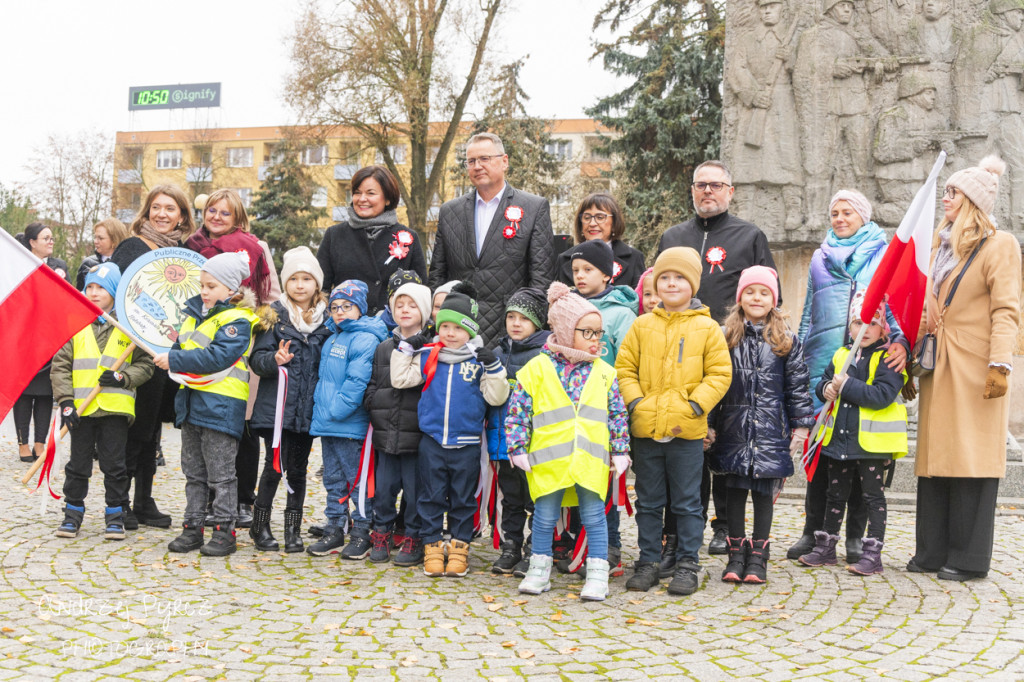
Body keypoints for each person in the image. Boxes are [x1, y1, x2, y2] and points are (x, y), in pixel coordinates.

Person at [657, 160, 778, 556]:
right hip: (679, 355)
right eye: (700, 185)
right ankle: (680, 526)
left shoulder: (750, 235)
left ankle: (725, 526)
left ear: (730, 190)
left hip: (732, 353)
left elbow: (767, 293)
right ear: (691, 190)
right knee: (690, 438)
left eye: (716, 185)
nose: (707, 191)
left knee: (725, 440)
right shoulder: (674, 236)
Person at [910, 156, 1022, 582]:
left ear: (973, 201)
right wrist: (911, 361)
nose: (946, 197)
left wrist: (1000, 363)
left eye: (953, 192)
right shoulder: (941, 247)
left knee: (972, 459)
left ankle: (970, 558)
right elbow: (926, 308)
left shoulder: (1000, 244)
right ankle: (931, 551)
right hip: (939, 362)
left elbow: (1007, 310)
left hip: (978, 368)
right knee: (935, 457)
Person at [788, 190, 909, 564]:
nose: (840, 218)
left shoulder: (882, 254)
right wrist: (800, 355)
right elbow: (809, 310)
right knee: (822, 457)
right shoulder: (819, 258)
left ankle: (856, 538)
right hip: (827, 359)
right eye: (835, 213)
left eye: (848, 212)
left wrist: (901, 340)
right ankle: (814, 532)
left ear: (863, 216)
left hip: (866, 360)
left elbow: (897, 306)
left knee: (858, 459)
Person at [616, 247, 732, 595]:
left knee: (686, 502)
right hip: (647, 430)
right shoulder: (641, 325)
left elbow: (720, 374)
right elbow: (625, 369)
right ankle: (649, 561)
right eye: (664, 277)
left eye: (679, 277)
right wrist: (637, 403)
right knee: (649, 501)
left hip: (687, 432)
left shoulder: (708, 328)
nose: (670, 283)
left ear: (693, 284)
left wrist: (695, 407)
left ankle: (686, 564)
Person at [509, 283, 629, 601]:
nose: (595, 340)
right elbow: (518, 410)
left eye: (598, 333)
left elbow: (617, 414)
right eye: (587, 332)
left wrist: (620, 449)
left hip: (590, 460)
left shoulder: (604, 372)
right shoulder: (537, 368)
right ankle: (539, 568)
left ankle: (598, 572)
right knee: (545, 515)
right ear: (564, 330)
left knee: (594, 515)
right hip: (548, 461)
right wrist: (517, 447)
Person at [390, 282, 509, 577]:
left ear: (469, 331)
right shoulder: (430, 355)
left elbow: (496, 397)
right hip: (432, 440)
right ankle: (432, 546)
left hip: (467, 443)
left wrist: (495, 369)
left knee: (462, 498)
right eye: (444, 327)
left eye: (457, 328)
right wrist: (406, 349)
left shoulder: (478, 361)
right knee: (429, 497)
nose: (450, 333)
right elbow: (400, 379)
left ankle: (458, 548)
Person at [709, 266, 814, 583]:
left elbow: (797, 387)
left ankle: (758, 556)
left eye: (764, 292)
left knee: (763, 494)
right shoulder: (726, 337)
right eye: (750, 292)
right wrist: (709, 424)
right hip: (734, 427)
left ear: (774, 299)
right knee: (735, 492)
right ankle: (735, 554)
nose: (757, 297)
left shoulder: (786, 340)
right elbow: (715, 384)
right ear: (740, 297)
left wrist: (801, 426)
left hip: (771, 429)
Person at [154, 252, 264, 556]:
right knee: (193, 471)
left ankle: (224, 531)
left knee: (221, 473)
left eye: (211, 286)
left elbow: (216, 357)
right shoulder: (192, 315)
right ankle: (192, 527)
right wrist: (172, 354)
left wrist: (174, 359)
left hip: (221, 406)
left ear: (230, 289)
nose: (203, 291)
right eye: (202, 284)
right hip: (191, 404)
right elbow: (181, 346)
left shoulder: (237, 321)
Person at [187, 189, 276, 530]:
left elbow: (268, 294)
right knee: (205, 426)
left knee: (241, 423)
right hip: (199, 341)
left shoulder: (253, 248)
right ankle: (211, 500)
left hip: (240, 342)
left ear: (238, 217)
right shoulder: (191, 247)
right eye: (212, 210)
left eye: (226, 213)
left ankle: (242, 499)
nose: (217, 217)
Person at [800, 293, 907, 576]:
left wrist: (846, 386)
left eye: (872, 323)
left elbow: (882, 395)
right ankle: (826, 545)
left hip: (872, 444)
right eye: (858, 322)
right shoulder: (841, 354)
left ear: (884, 328)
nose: (865, 329)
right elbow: (824, 380)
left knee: (873, 498)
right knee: (835, 494)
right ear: (850, 327)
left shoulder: (889, 357)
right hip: (839, 440)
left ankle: (872, 552)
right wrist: (826, 389)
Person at [110, 185, 197, 530]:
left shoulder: (185, 254)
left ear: (182, 216)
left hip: (167, 357)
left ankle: (144, 500)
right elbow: (117, 296)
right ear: (146, 213)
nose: (162, 214)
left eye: (170, 209)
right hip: (136, 356)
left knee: (152, 434)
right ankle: (120, 503)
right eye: (156, 208)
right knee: (135, 428)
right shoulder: (132, 247)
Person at [51, 263, 154, 540]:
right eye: (90, 287)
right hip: (81, 409)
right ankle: (72, 514)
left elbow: (146, 365)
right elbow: (60, 366)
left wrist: (123, 377)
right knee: (78, 464)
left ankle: (115, 515)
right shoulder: (76, 323)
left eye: (101, 288)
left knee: (115, 465)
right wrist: (66, 402)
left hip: (114, 410)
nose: (94, 293)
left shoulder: (129, 327)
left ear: (115, 293)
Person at [428, 132, 556, 345]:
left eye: (484, 159)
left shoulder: (533, 207)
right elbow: (438, 274)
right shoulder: (450, 211)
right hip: (458, 330)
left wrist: (528, 326)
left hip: (509, 329)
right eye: (471, 161)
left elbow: (541, 278)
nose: (477, 166)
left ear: (504, 161)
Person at [248, 247, 331, 553]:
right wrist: (274, 359)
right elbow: (256, 360)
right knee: (274, 467)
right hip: (277, 411)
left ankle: (292, 530)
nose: (299, 285)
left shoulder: (326, 323)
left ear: (316, 284)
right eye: (293, 278)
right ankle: (260, 527)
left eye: (306, 278)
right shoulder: (274, 318)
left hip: (306, 412)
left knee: (298, 469)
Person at [566, 238, 637, 575]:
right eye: (576, 269)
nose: (579, 276)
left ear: (607, 274)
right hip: (570, 412)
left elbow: (628, 364)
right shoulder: (567, 308)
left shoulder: (622, 314)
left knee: (603, 483)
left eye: (588, 269)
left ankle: (609, 547)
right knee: (576, 477)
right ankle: (578, 543)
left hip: (605, 413)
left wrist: (620, 406)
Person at [307, 280, 388, 558]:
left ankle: (362, 531)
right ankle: (334, 527)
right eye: (335, 307)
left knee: (357, 481)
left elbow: (357, 381)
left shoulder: (365, 338)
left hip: (349, 425)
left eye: (347, 306)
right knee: (333, 479)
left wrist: (336, 410)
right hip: (329, 424)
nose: (340, 312)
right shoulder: (333, 338)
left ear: (360, 309)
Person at [364, 280, 433, 565]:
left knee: (415, 492)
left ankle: (413, 537)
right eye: (399, 305)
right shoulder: (383, 347)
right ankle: (381, 533)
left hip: (416, 434)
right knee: (383, 490)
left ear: (425, 311)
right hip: (386, 432)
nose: (404, 310)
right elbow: (373, 384)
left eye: (412, 305)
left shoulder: (430, 347)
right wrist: (374, 405)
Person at [485, 287, 551, 575]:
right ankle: (510, 546)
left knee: (535, 499)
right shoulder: (498, 352)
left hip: (534, 445)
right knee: (510, 499)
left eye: (523, 318)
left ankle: (534, 551)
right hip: (503, 443)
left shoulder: (546, 353)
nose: (515, 323)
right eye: (511, 316)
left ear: (537, 322)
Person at [317, 165, 428, 315]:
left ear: (388, 198)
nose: (362, 199)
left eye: (370, 193)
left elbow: (420, 291)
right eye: (357, 193)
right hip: (345, 327)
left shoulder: (408, 237)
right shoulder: (334, 235)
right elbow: (320, 289)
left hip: (390, 328)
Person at [12, 222, 67, 463]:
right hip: (24, 339)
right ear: (32, 242)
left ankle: (40, 443)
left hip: (49, 339)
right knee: (24, 394)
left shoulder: (59, 267)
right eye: (46, 238)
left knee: (45, 394)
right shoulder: (19, 265)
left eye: (52, 238)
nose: (51, 241)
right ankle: (23, 443)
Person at [556, 193, 646, 289]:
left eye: (600, 217)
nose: (592, 223)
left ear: (614, 222)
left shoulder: (634, 258)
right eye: (587, 218)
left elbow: (640, 299)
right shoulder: (564, 259)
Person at [76, 218, 129, 290]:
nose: (95, 241)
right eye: (95, 237)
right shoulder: (87, 264)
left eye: (100, 238)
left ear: (114, 240)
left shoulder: (128, 265)